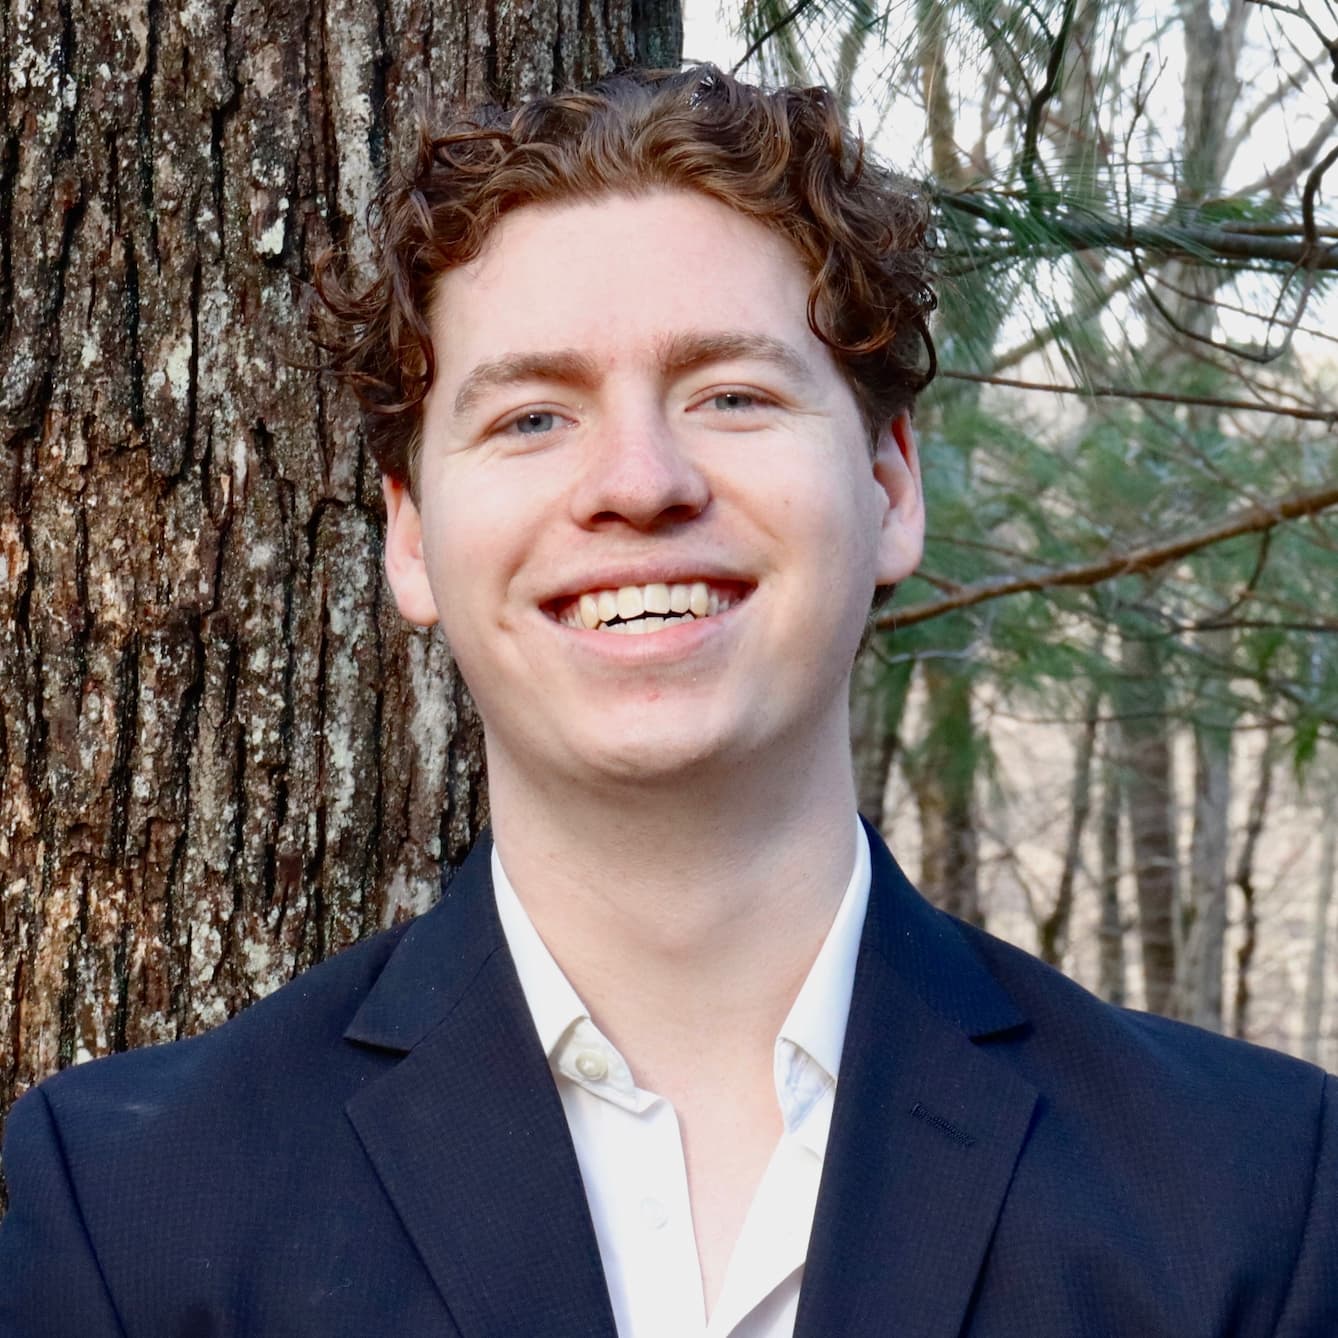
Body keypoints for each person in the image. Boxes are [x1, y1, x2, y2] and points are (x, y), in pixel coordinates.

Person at [0, 64, 1333, 1338]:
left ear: (888, 489)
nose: (639, 481)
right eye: (532, 417)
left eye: (731, 394)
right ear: (410, 538)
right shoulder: (131, 1211)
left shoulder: (1260, 1196)